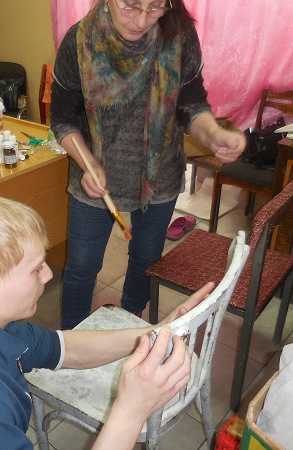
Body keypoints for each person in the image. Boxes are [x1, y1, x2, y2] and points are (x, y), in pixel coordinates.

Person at [0, 195, 215, 449]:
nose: (48, 275)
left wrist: (156, 332)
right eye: (35, 268)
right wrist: (131, 411)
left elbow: (65, 348)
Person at [51, 0, 246, 329]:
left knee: (145, 259)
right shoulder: (79, 41)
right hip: (94, 178)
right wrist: (86, 162)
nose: (141, 20)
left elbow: (191, 105)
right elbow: (63, 119)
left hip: (159, 177)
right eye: (130, 6)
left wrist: (213, 134)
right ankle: (72, 336)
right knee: (82, 266)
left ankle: (133, 323)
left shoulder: (179, 36)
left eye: (155, 7)